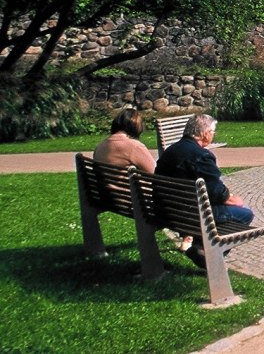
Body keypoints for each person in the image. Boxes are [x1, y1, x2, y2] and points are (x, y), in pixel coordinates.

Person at [156, 114, 253, 268]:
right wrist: (234, 199)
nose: (213, 135)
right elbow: (216, 193)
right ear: (205, 134)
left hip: (167, 212)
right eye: (213, 131)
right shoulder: (201, 156)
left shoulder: (171, 151)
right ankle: (209, 259)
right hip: (191, 216)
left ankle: (198, 245)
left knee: (229, 211)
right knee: (246, 212)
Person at [92, 109, 155, 173]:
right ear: (137, 128)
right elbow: (155, 172)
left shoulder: (100, 146)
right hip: (125, 183)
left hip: (102, 182)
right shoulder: (134, 146)